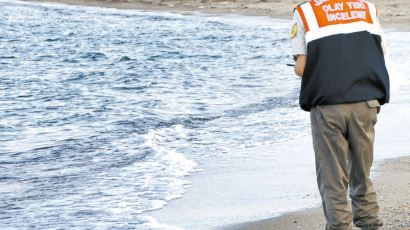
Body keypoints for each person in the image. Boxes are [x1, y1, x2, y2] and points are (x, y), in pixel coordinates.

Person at [290, 0, 390, 229]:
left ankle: (339, 226)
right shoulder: (367, 8)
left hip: (328, 106)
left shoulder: (305, 11)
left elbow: (301, 68)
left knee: (333, 176)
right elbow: (380, 52)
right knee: (362, 172)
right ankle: (370, 223)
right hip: (366, 101)